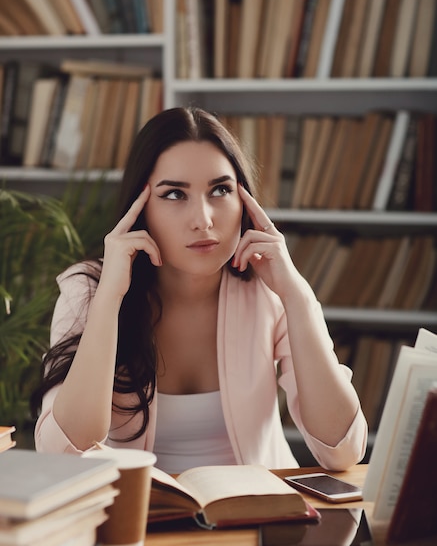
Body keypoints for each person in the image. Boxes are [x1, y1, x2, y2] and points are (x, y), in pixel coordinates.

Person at [31, 107, 367, 473]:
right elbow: (61, 456)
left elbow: (343, 450)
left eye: (220, 189)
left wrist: (298, 297)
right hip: (136, 519)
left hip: (256, 516)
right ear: (141, 209)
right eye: (175, 194)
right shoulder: (89, 289)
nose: (203, 220)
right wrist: (109, 299)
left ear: (244, 202)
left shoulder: (270, 291)